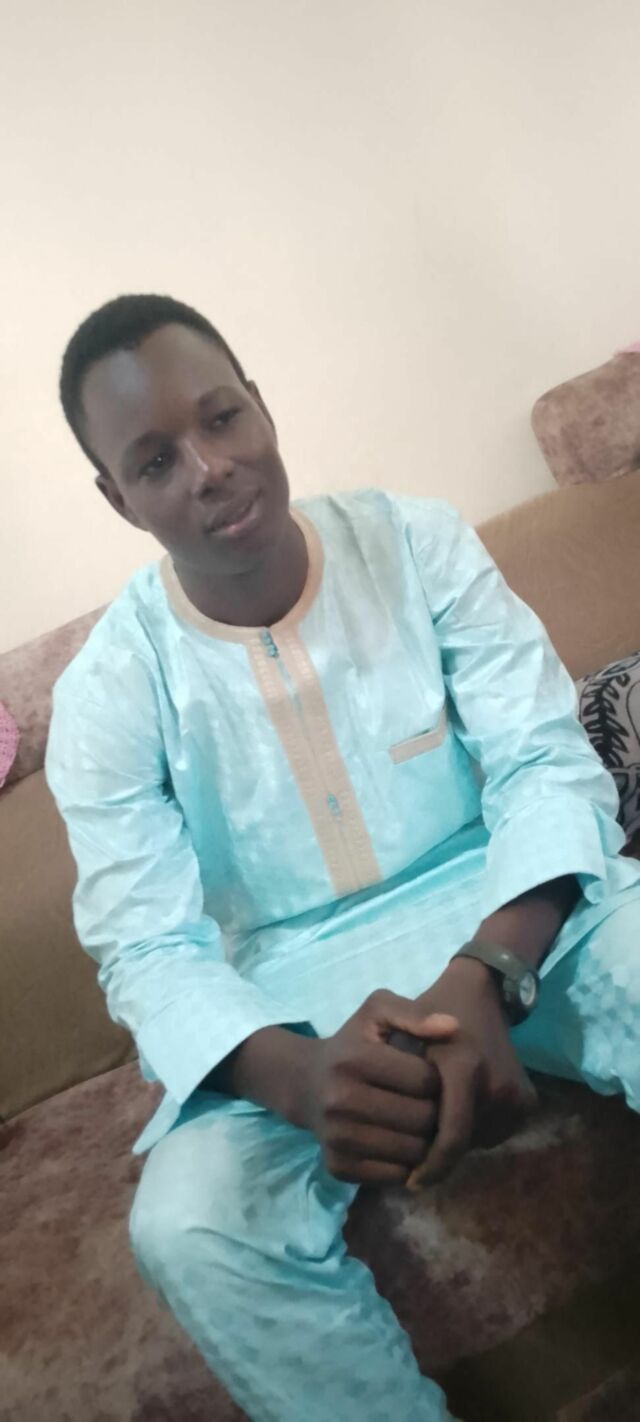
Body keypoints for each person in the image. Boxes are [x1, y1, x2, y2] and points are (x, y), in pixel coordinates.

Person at [47, 293, 640, 1422]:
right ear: (117, 498)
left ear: (262, 406)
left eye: (222, 417)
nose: (210, 469)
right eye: (156, 460)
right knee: (190, 1223)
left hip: (504, 909)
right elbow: (146, 949)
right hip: (280, 1000)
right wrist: (299, 1077)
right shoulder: (108, 693)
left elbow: (543, 764)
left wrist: (487, 972)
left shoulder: (415, 543)